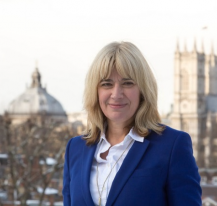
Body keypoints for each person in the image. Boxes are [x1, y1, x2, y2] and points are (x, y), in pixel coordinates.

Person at [62, 41, 202, 206]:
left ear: (143, 90)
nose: (116, 94)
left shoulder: (172, 146)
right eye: (107, 84)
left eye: (127, 83)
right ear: (96, 91)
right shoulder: (76, 148)